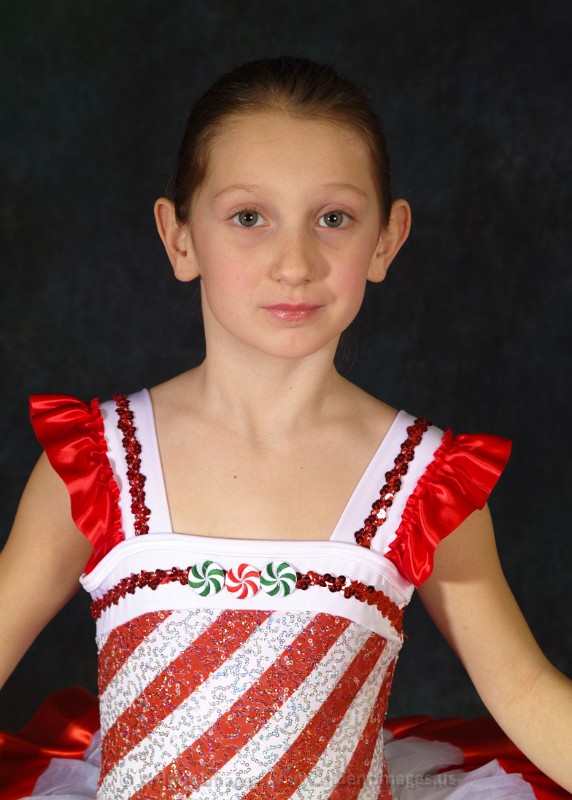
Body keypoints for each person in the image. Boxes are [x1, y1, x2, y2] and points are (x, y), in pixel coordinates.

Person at [0, 56, 570, 799]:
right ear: (179, 238)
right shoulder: (96, 462)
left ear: (386, 239)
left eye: (333, 219)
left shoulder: (427, 484)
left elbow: (524, 692)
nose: (294, 263)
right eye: (249, 218)